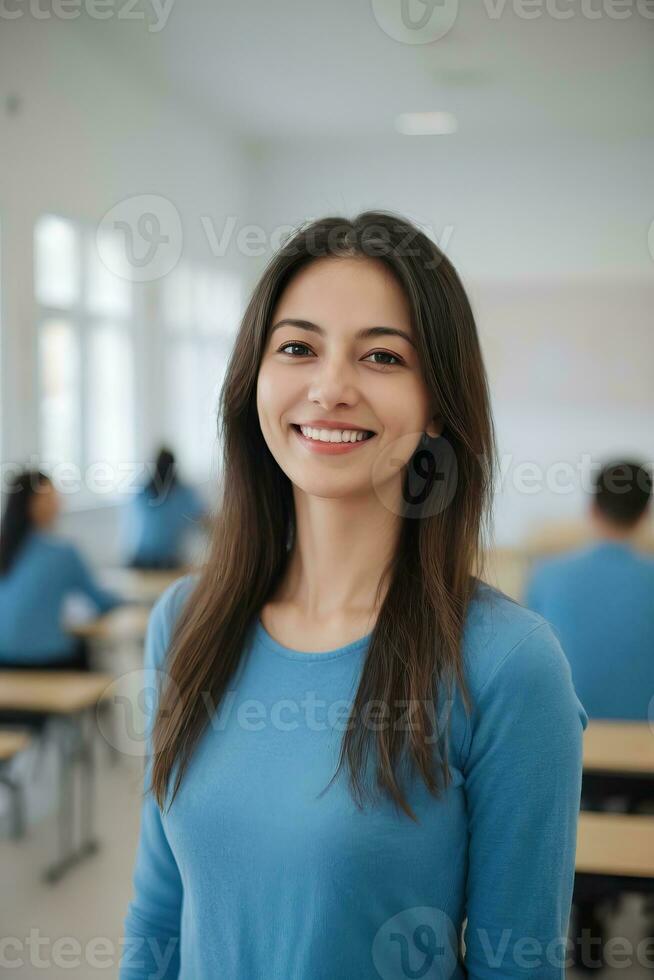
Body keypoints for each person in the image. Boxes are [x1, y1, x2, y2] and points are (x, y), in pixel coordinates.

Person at [120, 213, 587, 979]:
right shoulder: (186, 621)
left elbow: (518, 967)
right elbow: (159, 916)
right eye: (297, 348)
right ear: (254, 381)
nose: (331, 387)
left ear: (437, 402)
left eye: (381, 356)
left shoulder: (507, 663)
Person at [524, 460, 654, 724]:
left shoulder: (546, 575)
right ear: (645, 513)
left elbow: (529, 662)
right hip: (643, 745)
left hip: (569, 739)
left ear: (592, 508)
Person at [0, 470, 125, 729]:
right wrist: (126, 599)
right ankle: (99, 749)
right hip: (48, 666)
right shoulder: (63, 553)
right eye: (51, 497)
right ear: (33, 505)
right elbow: (101, 601)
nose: (59, 504)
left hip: (4, 664)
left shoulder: (5, 550)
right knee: (91, 656)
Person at [123, 447, 206, 570]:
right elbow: (203, 521)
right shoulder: (182, 494)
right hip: (153, 561)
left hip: (151, 560)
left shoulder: (142, 493)